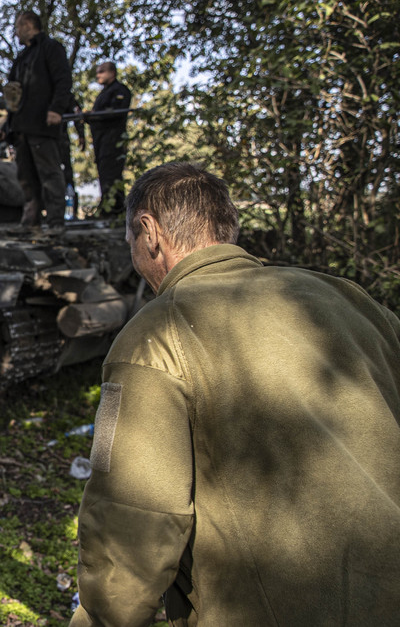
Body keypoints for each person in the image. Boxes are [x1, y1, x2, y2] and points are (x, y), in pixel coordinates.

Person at [71, 162, 400, 626]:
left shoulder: (156, 332)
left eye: (130, 243)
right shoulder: (350, 299)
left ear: (149, 232)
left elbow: (135, 514)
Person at [0, 10, 73, 229]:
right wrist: (7, 124)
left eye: (17, 27)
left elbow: (63, 80)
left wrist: (56, 109)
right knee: (26, 176)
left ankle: (55, 221)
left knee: (49, 173)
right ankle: (31, 220)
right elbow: (13, 95)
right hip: (21, 126)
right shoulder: (21, 58)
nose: (15, 33)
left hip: (43, 124)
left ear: (28, 25)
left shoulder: (51, 48)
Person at [84, 62, 131, 217]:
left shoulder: (119, 90)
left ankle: (115, 209)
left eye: (101, 72)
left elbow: (115, 113)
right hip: (101, 142)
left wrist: (95, 115)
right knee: (104, 174)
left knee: (112, 174)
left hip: (113, 140)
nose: (98, 75)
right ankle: (108, 206)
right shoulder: (104, 93)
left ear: (112, 72)